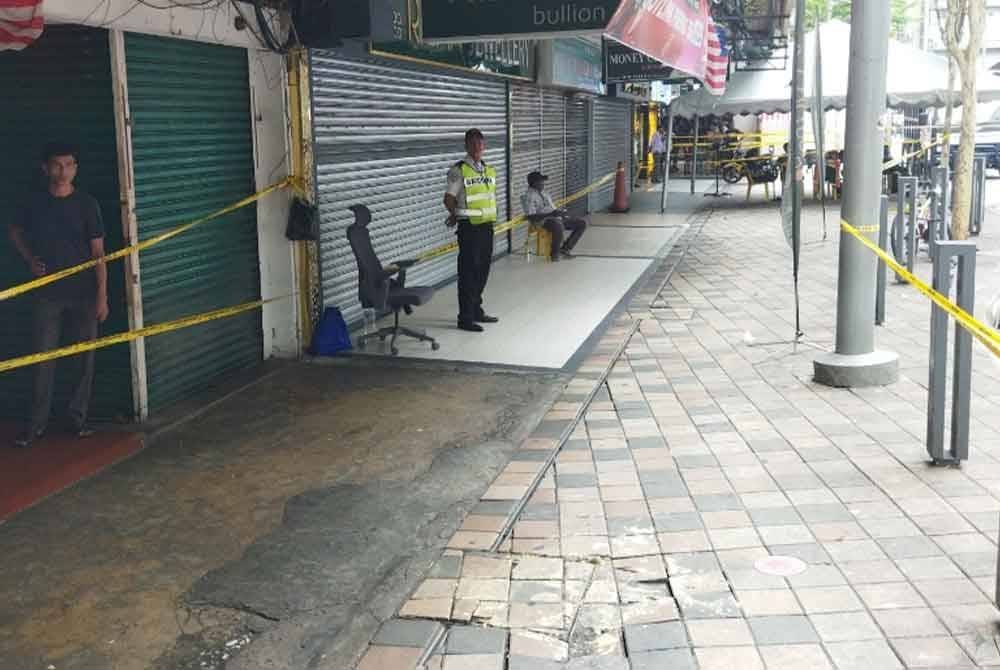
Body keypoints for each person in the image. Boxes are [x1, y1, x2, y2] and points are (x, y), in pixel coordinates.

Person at [7, 141, 109, 448]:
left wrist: (102, 295)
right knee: (43, 361)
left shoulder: (87, 204)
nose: (63, 171)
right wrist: (29, 259)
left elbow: (99, 253)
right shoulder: (34, 203)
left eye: (69, 165)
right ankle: (35, 427)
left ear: (76, 169)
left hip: (84, 294)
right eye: (57, 165)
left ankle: (77, 421)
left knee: (83, 361)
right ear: (45, 168)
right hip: (47, 294)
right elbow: (14, 231)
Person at [444, 128, 499, 333]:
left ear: (484, 146)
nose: (477, 147)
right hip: (469, 229)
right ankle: (465, 317)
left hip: (486, 226)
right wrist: (454, 214)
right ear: (466, 146)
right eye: (473, 143)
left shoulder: (488, 170)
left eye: (480, 143)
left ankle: (476, 309)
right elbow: (449, 198)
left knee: (482, 271)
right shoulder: (459, 170)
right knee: (468, 273)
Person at [522, 171, 587, 262]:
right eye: (541, 181)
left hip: (554, 218)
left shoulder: (545, 193)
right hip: (542, 221)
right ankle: (554, 254)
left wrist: (561, 213)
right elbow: (531, 216)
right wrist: (551, 214)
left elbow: (552, 208)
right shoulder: (528, 196)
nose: (543, 183)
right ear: (534, 183)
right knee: (557, 224)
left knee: (581, 223)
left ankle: (565, 249)